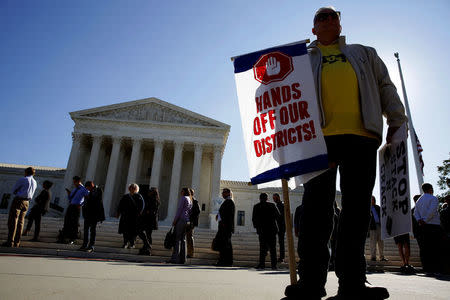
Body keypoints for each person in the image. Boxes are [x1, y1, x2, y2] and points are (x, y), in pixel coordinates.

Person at [285, 6, 407, 300]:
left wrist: (397, 118)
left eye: (332, 15)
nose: (328, 19)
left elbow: (384, 85)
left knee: (355, 212)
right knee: (316, 212)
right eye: (321, 17)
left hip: (361, 136)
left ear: (339, 23)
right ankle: (311, 283)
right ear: (313, 29)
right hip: (318, 140)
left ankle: (352, 283)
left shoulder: (364, 53)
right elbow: (283, 95)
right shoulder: (300, 59)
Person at [2, 167, 37, 247]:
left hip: (18, 201)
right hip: (27, 202)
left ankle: (10, 241)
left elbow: (14, 190)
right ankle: (17, 242)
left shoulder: (23, 179)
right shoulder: (35, 182)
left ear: (26, 172)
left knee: (13, 221)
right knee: (21, 222)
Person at [414, 183, 444, 273]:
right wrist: (425, 220)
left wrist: (419, 220)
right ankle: (436, 268)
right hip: (433, 225)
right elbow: (432, 210)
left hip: (422, 226)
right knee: (435, 247)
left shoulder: (419, 200)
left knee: (424, 248)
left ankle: (427, 268)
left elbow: (415, 212)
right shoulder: (433, 198)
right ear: (430, 189)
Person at [57, 176, 89, 244]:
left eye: (75, 182)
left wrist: (81, 204)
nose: (74, 183)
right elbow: (70, 198)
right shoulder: (75, 189)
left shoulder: (83, 189)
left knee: (74, 223)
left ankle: (73, 238)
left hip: (76, 207)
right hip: (71, 206)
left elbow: (88, 198)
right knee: (67, 221)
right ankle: (64, 237)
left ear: (78, 181)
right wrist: (69, 193)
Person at [252, 192, 281, 270]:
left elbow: (254, 219)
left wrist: (257, 228)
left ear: (260, 198)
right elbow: (278, 216)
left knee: (262, 248)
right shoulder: (272, 205)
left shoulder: (256, 206)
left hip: (262, 230)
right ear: (267, 198)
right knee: (273, 249)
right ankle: (274, 266)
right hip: (272, 230)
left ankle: (262, 264)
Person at [167, 187, 192, 264]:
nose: (180, 192)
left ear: (184, 192)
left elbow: (179, 210)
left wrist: (175, 220)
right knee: (183, 240)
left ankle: (175, 258)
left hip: (181, 219)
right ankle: (183, 259)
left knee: (177, 239)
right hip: (186, 221)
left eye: (182, 191)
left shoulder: (183, 198)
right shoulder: (190, 199)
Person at [79, 181, 105, 252]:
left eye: (88, 188)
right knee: (86, 230)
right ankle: (84, 245)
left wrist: (88, 197)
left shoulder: (98, 190)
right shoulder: (90, 192)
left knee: (92, 230)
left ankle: (91, 246)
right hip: (88, 214)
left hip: (94, 214)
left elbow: (97, 201)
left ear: (91, 185)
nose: (88, 190)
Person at [117, 183, 144, 249]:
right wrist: (118, 212)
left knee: (133, 231)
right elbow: (121, 205)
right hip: (125, 216)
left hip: (134, 217)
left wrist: (139, 213)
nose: (131, 189)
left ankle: (132, 243)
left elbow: (142, 206)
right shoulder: (125, 196)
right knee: (125, 231)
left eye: (133, 188)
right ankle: (125, 243)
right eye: (130, 188)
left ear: (136, 189)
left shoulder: (139, 196)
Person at [215, 188, 236, 267]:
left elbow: (228, 216)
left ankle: (225, 261)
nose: (222, 194)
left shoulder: (229, 202)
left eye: (223, 193)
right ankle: (225, 261)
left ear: (228, 193)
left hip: (226, 227)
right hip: (224, 227)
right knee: (225, 244)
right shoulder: (227, 201)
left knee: (225, 245)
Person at [137, 187, 160, 255]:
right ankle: (147, 246)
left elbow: (153, 210)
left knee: (142, 232)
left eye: (150, 191)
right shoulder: (151, 199)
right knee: (147, 234)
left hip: (149, 219)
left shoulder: (155, 200)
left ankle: (147, 247)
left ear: (153, 192)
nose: (149, 192)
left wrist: (147, 211)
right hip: (148, 219)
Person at [369, 196, 386, 262]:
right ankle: (373, 257)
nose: (373, 201)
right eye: (371, 199)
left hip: (379, 226)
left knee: (381, 242)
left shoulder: (378, 207)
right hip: (372, 227)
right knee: (373, 242)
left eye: (373, 199)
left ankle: (381, 257)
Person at [186, 188, 200, 258]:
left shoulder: (194, 201)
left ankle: (190, 253)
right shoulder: (189, 200)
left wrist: (192, 221)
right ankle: (187, 252)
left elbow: (197, 211)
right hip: (187, 221)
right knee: (187, 237)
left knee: (189, 237)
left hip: (191, 222)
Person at [273, 193, 286, 263]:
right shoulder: (276, 205)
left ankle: (282, 257)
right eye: (273, 198)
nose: (274, 199)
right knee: (279, 242)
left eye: (275, 198)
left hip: (281, 227)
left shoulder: (282, 205)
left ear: (278, 197)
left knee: (281, 242)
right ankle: (280, 257)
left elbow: (282, 216)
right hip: (276, 226)